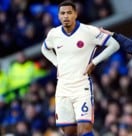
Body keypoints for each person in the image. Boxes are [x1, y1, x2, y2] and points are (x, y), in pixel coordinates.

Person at [41, 1, 120, 135]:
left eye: (69, 12)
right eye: (63, 13)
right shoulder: (54, 34)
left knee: (85, 129)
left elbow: (114, 45)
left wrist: (94, 62)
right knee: (69, 131)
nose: (66, 16)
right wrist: (57, 63)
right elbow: (44, 49)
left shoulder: (89, 31)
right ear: (59, 16)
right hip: (63, 88)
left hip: (82, 87)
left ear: (76, 14)